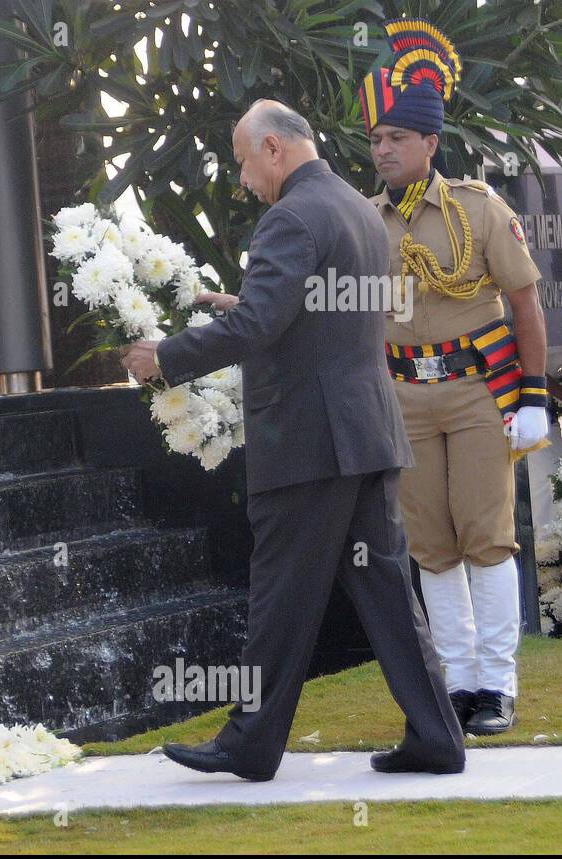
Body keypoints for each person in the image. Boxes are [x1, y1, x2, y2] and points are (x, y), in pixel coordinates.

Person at [122, 99, 465, 780]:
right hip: (365, 433)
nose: (246, 179)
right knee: (390, 594)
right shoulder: (358, 209)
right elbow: (310, 317)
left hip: (310, 441)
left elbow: (258, 331)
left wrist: (166, 355)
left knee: (280, 593)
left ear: (275, 148)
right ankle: (437, 737)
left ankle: (250, 742)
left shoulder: (289, 217)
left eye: (247, 162)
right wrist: (241, 304)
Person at [360, 17, 550, 735]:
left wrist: (532, 395)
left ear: (430, 143)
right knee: (432, 546)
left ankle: (496, 688)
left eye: (396, 139)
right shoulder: (363, 221)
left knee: (486, 536)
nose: (382, 150)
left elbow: (525, 301)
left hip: (476, 393)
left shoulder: (478, 208)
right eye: (376, 140)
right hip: (402, 395)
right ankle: (459, 682)